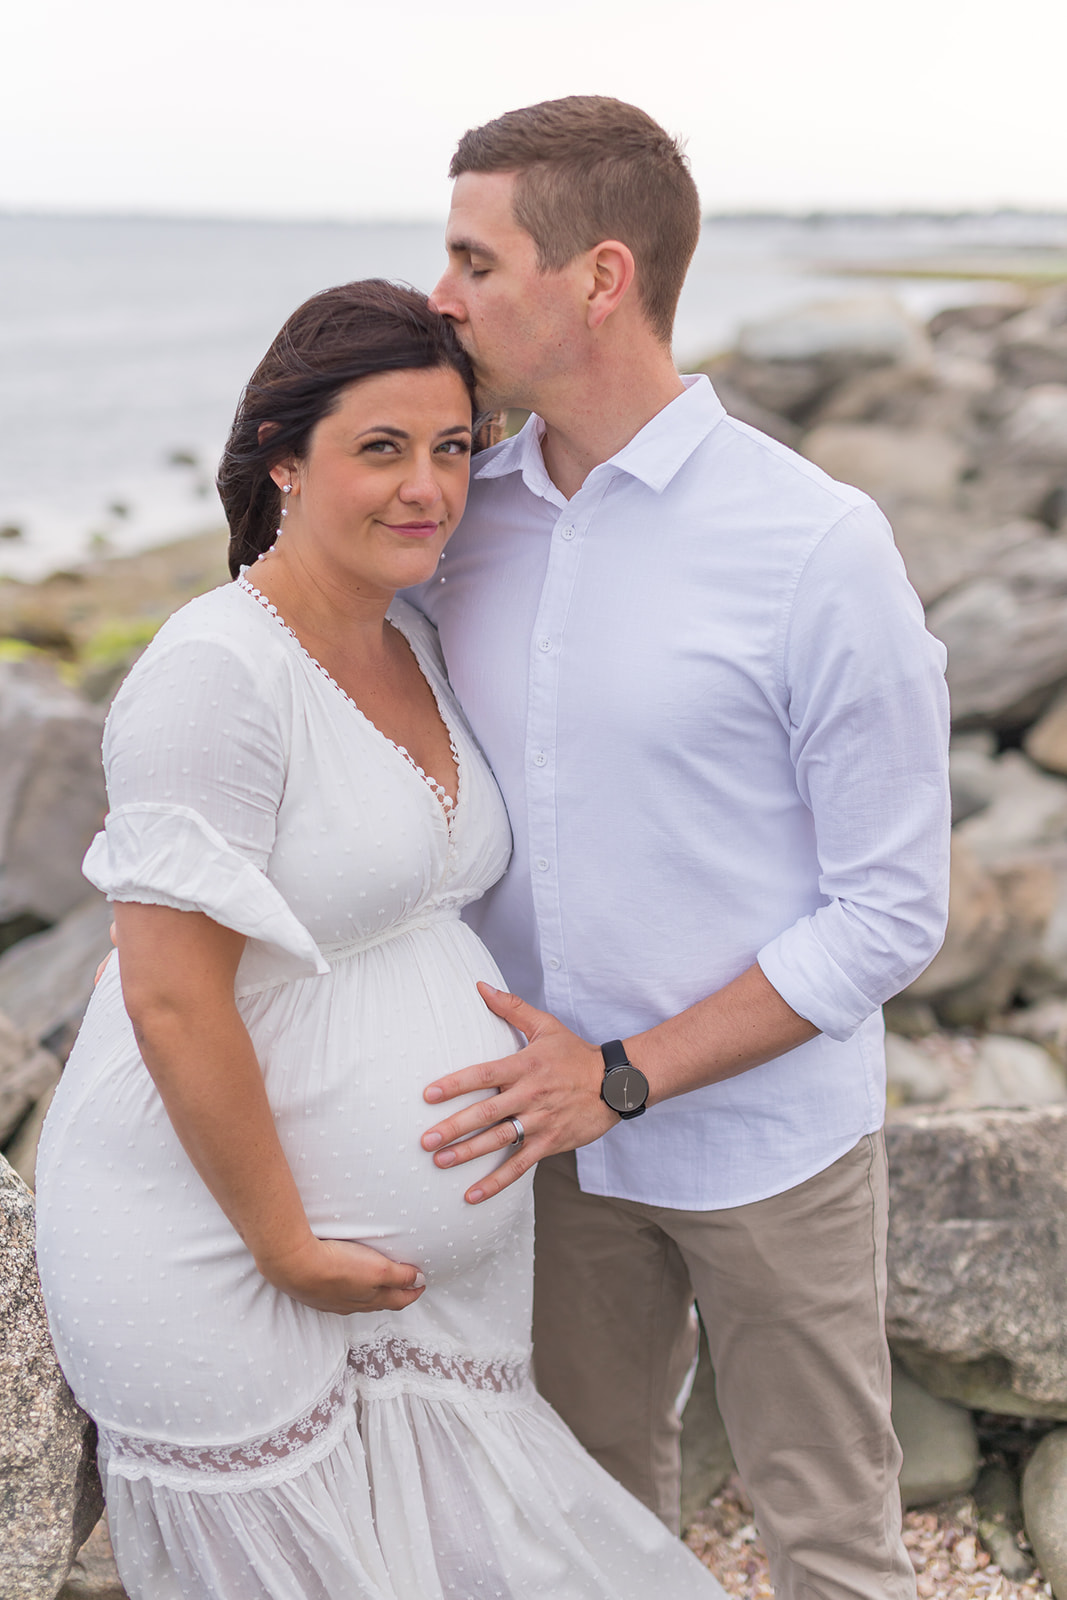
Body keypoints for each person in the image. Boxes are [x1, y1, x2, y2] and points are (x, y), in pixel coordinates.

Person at [35, 281, 725, 1600]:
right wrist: (285, 1244)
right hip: (216, 1246)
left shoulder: (408, 630)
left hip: (414, 1284)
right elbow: (173, 1002)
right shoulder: (214, 676)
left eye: (454, 447)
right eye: (382, 449)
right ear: (282, 460)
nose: (429, 487)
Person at [410, 97, 951, 1600]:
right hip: (540, 1143)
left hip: (768, 1143)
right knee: (583, 1534)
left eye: (473, 257)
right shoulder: (456, 523)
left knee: (833, 1542)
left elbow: (894, 911)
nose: (440, 298)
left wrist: (630, 1071)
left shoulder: (815, 544)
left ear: (597, 277)